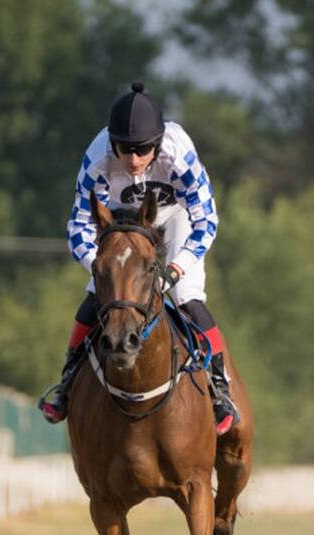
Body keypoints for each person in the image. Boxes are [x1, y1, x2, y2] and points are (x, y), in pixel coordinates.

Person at [38, 81, 240, 435]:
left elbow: (206, 221)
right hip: (121, 227)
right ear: (111, 142)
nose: (132, 159)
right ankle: (67, 381)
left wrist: (177, 270)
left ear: (158, 143)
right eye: (124, 149)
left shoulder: (179, 154)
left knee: (186, 297)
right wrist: (102, 268)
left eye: (142, 150)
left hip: (175, 219)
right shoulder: (97, 159)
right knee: (97, 297)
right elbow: (78, 228)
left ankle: (219, 387)